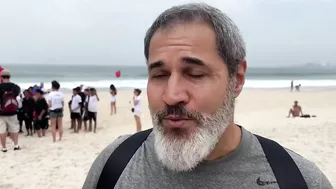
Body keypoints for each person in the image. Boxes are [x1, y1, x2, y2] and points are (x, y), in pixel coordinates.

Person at [82, 3, 332, 189]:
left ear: (237, 79)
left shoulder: (298, 179)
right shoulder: (113, 166)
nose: (172, 95)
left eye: (195, 73)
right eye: (159, 75)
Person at [0, 70, 21, 152]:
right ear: (9, 77)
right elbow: (17, 97)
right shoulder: (15, 87)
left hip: (1, 112)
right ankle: (16, 145)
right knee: (14, 128)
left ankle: (4, 147)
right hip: (12, 111)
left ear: (1, 77)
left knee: (2, 130)